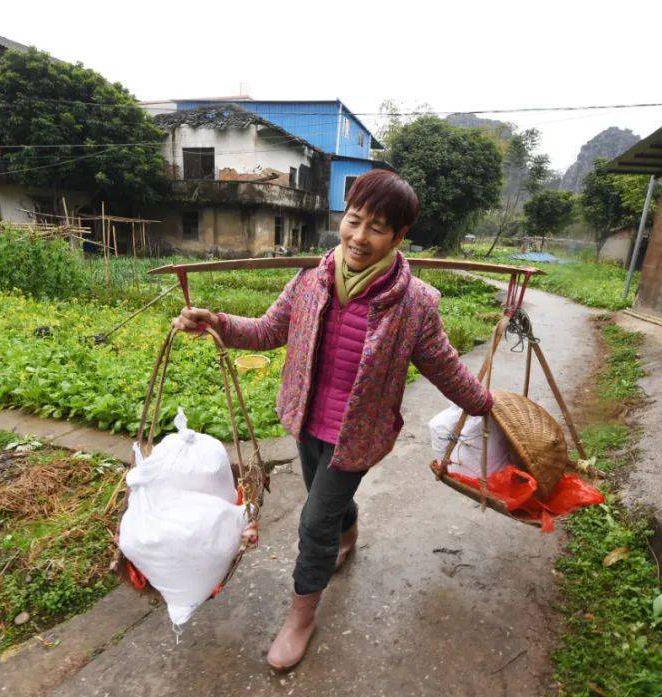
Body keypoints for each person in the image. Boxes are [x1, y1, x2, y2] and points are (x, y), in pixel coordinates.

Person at [173, 169, 492, 671]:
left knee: (313, 520)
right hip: (305, 421)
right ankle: (349, 533)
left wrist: (485, 405)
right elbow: (266, 331)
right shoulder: (310, 279)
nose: (360, 237)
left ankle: (301, 617)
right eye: (354, 220)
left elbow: (445, 365)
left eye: (378, 228)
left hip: (358, 434)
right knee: (328, 504)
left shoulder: (415, 304)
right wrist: (217, 323)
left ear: (399, 237)